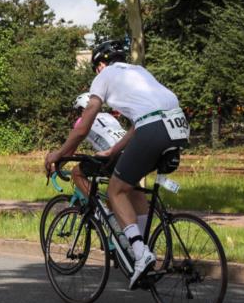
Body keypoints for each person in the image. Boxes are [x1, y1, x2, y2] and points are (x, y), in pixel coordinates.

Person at [44, 40, 189, 289]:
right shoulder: (139, 72)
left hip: (152, 130)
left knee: (115, 190)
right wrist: (113, 151)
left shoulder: (105, 75)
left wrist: (58, 154)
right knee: (131, 187)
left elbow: (83, 126)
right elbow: (136, 125)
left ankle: (140, 254)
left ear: (101, 64)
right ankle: (140, 248)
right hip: (179, 127)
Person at [68, 91, 126, 200]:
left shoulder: (82, 121)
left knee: (76, 173)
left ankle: (96, 209)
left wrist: (56, 166)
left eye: (79, 111)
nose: (79, 115)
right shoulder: (109, 116)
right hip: (131, 150)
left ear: (83, 109)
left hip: (113, 156)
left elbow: (71, 147)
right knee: (121, 192)